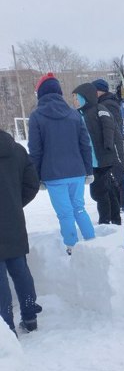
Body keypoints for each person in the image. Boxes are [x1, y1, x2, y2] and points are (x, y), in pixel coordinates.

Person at [28, 73, 95, 255]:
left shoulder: (36, 117)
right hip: (77, 172)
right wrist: (88, 170)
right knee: (79, 209)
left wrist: (37, 177)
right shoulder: (74, 115)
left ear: (40, 94)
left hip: (53, 174)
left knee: (65, 213)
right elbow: (85, 145)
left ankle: (71, 246)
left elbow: (35, 151)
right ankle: (93, 243)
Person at [0, 127, 40, 335]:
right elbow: (31, 183)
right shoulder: (16, 149)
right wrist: (15, 203)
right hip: (13, 221)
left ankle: (6, 328)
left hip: (12, 217)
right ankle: (30, 315)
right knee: (20, 270)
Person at [72, 82, 122, 225]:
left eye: (77, 98)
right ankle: (115, 218)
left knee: (99, 192)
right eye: (73, 98)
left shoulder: (98, 109)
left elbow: (109, 126)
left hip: (102, 160)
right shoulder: (80, 114)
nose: (74, 101)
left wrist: (108, 145)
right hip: (93, 161)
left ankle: (105, 220)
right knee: (107, 189)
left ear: (86, 97)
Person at [92, 78, 124, 212]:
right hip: (113, 145)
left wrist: (111, 143)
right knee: (114, 176)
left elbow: (113, 126)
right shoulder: (105, 102)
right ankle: (119, 202)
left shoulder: (108, 104)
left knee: (119, 175)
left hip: (115, 146)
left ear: (99, 91)